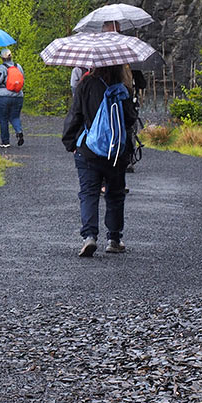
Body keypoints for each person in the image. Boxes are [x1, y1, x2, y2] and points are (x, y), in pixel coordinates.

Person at [62, 63, 138, 257]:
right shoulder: (122, 87)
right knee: (115, 194)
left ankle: (89, 236)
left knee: (88, 192)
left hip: (88, 150)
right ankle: (114, 238)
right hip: (116, 153)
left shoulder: (85, 84)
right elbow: (130, 120)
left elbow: (75, 115)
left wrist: (70, 142)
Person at [0, 48, 24, 147]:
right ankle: (19, 131)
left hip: (3, 96)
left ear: (2, 58)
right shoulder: (18, 66)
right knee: (15, 117)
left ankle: (5, 142)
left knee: (3, 119)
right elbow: (22, 80)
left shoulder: (2, 67)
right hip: (18, 96)